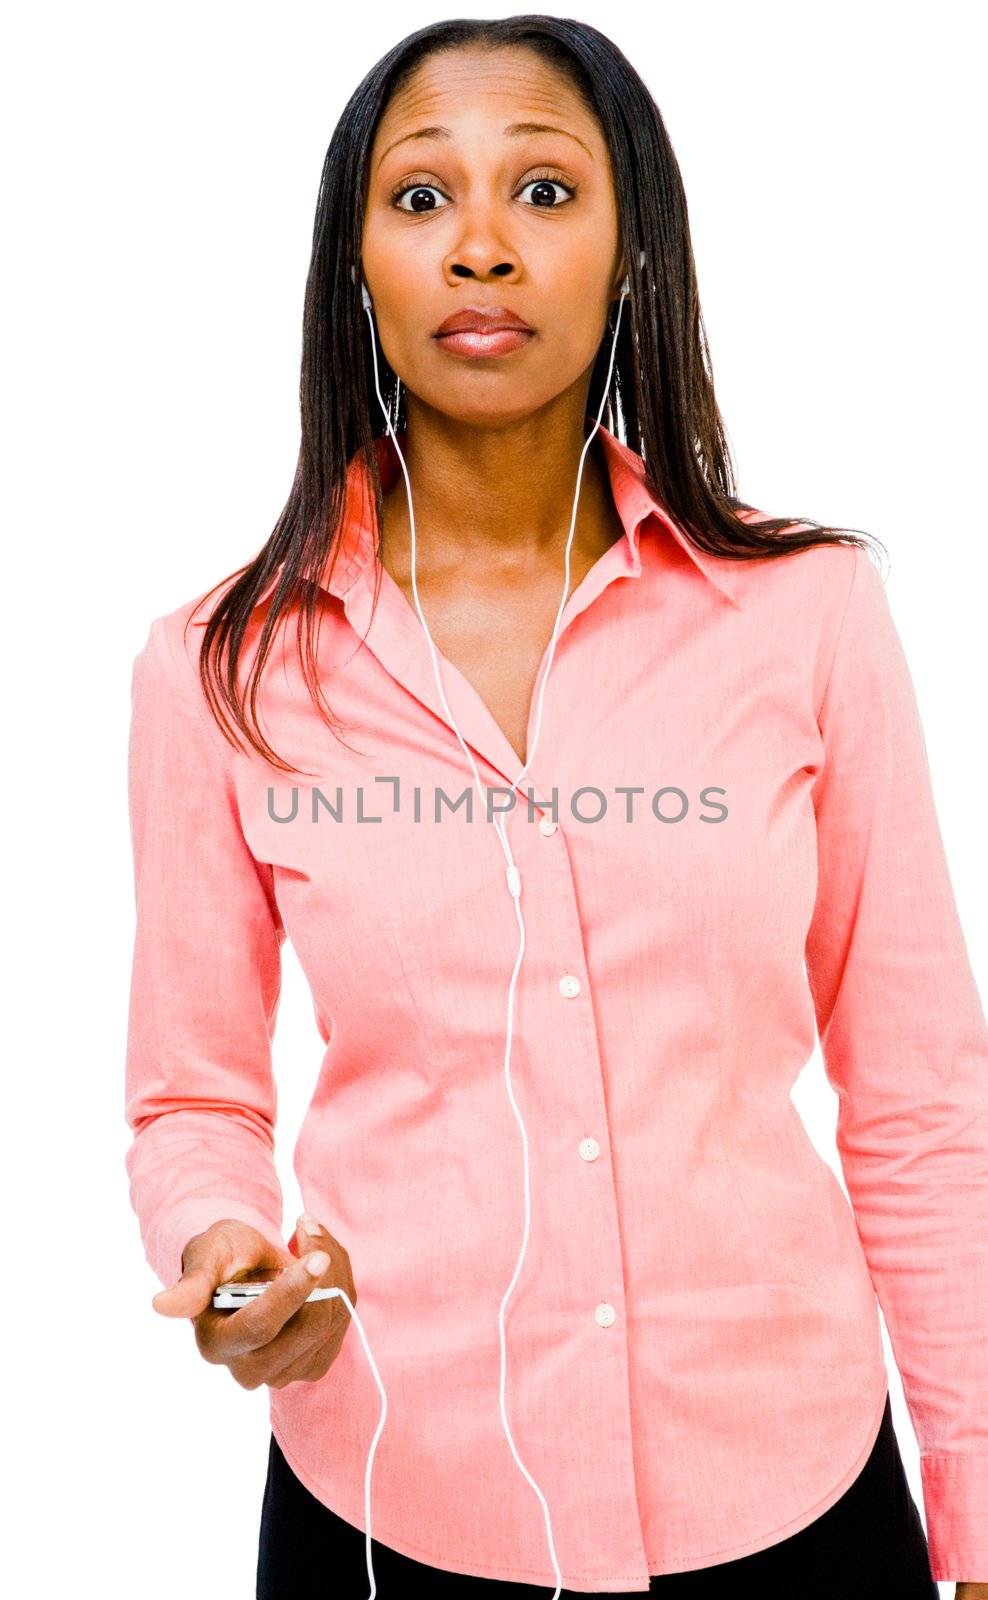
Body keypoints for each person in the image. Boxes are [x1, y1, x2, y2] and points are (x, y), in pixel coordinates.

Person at [123, 15, 988, 1600]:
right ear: (358, 267)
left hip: (790, 1497)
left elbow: (924, 1098)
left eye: (542, 191)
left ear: (630, 247)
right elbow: (192, 1096)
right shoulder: (216, 668)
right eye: (421, 198)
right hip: (391, 1500)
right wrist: (226, 1252)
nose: (482, 251)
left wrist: (980, 1496)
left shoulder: (808, 614)